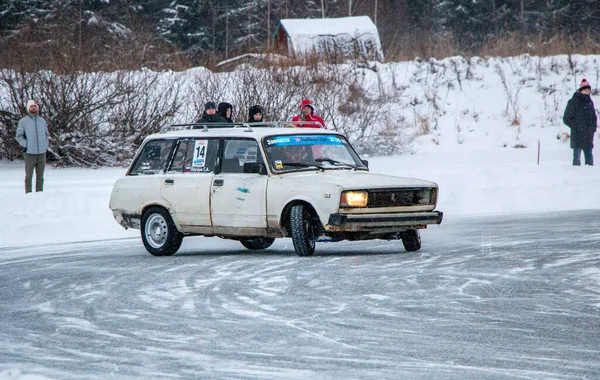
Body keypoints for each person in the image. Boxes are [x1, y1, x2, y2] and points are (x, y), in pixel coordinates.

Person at [15, 99, 50, 193]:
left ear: (37, 108)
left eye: (35, 106)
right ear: (28, 108)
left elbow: (47, 135)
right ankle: (28, 195)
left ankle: (39, 194)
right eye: (31, 106)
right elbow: (19, 136)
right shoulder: (23, 121)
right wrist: (26, 144)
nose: (33, 107)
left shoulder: (42, 121)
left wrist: (45, 144)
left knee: (40, 177)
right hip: (30, 153)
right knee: (29, 176)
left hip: (42, 153)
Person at [563, 78, 598, 166]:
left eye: (588, 90)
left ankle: (589, 178)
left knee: (589, 160)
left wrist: (592, 128)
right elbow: (566, 118)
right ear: (581, 90)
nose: (587, 92)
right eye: (585, 90)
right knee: (576, 160)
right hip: (577, 135)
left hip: (588, 136)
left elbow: (594, 117)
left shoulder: (590, 102)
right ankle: (575, 177)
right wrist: (575, 126)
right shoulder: (573, 101)